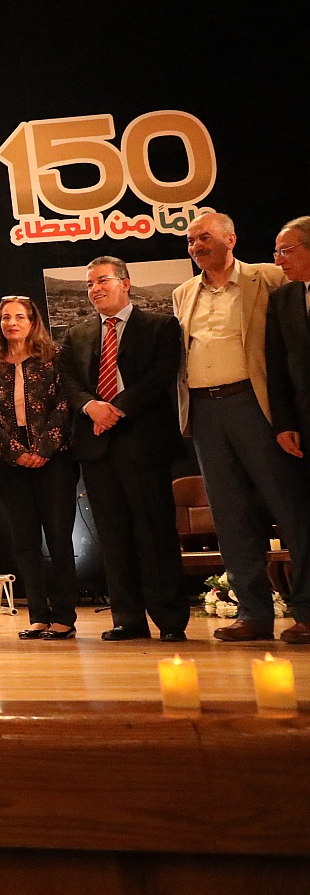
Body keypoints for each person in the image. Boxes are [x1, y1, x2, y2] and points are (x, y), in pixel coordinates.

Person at [175, 212, 310, 642]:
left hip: (256, 405)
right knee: (230, 516)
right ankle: (252, 613)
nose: (196, 246)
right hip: (204, 411)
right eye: (191, 241)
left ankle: (307, 610)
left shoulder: (267, 277)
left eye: (204, 238)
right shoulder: (183, 293)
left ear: (230, 239)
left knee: (289, 508)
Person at [58, 257, 187, 642]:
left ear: (125, 283)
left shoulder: (161, 326)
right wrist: (91, 407)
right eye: (89, 284)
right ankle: (128, 619)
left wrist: (114, 410)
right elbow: (68, 380)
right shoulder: (77, 333)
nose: (94, 289)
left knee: (155, 533)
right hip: (97, 448)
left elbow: (159, 377)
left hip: (144, 445)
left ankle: (170, 620)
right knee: (113, 538)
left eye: (102, 281)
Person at [0, 296, 78, 640]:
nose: (12, 323)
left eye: (19, 317)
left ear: (33, 322)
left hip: (54, 461)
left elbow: (65, 405)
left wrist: (43, 450)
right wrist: (16, 452)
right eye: (6, 318)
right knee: (25, 542)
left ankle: (63, 616)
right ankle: (38, 616)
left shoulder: (54, 357)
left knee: (59, 539)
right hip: (10, 463)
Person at [265, 214, 310, 644]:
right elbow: (276, 369)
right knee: (304, 522)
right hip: (302, 431)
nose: (278, 261)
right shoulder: (283, 299)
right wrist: (284, 424)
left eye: (285, 251)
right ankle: (308, 613)